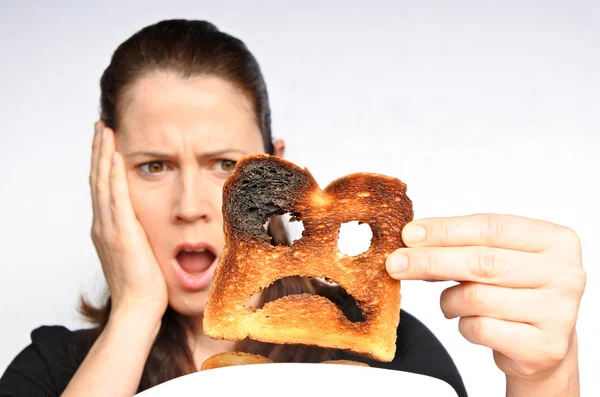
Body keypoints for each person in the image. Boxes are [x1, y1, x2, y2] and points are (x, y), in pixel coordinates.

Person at [0, 19, 585, 397]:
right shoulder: (53, 368)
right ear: (106, 179)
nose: (190, 206)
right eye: (153, 165)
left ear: (275, 176)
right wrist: (134, 310)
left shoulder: (383, 352)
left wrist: (546, 379)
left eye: (226, 165)